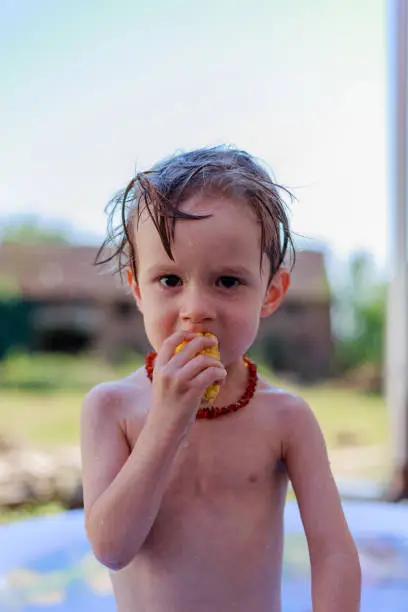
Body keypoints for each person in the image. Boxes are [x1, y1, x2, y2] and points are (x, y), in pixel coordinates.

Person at [80, 145, 361, 612]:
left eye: (227, 282)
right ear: (136, 289)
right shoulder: (111, 409)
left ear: (270, 293)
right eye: (170, 280)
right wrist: (167, 420)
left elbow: (333, 554)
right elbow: (112, 548)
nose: (196, 310)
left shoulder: (285, 418)